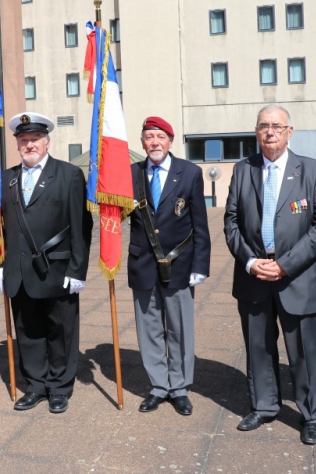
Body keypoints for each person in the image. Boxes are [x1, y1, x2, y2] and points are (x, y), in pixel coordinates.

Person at [223, 105, 316, 444]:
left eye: (276, 126)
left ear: (289, 131)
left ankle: (312, 414)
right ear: (256, 132)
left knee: (305, 351)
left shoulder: (313, 171)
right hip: (253, 274)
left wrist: (284, 264)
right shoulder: (243, 170)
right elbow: (231, 222)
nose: (270, 132)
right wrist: (250, 262)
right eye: (263, 126)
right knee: (259, 347)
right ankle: (264, 405)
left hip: (297, 277)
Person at [0, 112, 92, 414]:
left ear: (47, 142)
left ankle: (60, 387)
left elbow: (80, 225)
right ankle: (35, 385)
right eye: (23, 140)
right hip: (20, 272)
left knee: (60, 331)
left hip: (57, 271)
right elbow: (0, 226)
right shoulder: (8, 178)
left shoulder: (68, 175)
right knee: (29, 331)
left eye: (35, 139)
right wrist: (0, 265)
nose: (29, 144)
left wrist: (78, 269)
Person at [128, 116, 210, 416]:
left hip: (180, 263)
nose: (154, 143)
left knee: (179, 329)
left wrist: (201, 263)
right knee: (149, 330)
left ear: (170, 141)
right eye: (149, 137)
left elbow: (200, 222)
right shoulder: (131, 173)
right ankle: (158, 386)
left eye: (160, 137)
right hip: (143, 265)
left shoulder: (189, 173)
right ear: (142, 143)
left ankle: (179, 387)